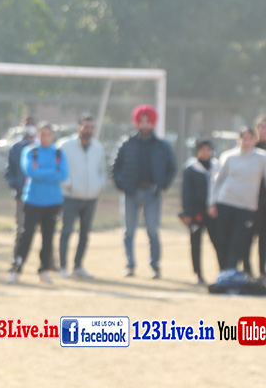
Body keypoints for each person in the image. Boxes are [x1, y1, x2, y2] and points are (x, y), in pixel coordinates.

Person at [111, 105, 177, 279]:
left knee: (153, 231)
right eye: (142, 121)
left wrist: (162, 186)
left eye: (148, 121)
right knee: (129, 231)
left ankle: (155, 266)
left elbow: (172, 168)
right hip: (130, 194)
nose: (145, 125)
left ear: (153, 122)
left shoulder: (162, 146)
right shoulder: (126, 144)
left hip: (152, 194)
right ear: (137, 122)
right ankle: (130, 265)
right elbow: (115, 167)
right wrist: (122, 186)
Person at [8, 123, 68, 284]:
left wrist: (41, 172)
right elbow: (30, 172)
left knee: (48, 237)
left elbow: (63, 174)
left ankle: (43, 270)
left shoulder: (58, 153)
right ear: (38, 135)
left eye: (48, 134)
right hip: (33, 200)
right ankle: (16, 269)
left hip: (53, 201)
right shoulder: (30, 152)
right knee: (26, 235)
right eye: (42, 134)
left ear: (52, 136)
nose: (45, 138)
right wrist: (51, 171)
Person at [208, 127, 266, 278]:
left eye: (250, 139)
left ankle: (230, 272)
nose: (247, 142)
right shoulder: (229, 156)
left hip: (247, 207)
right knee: (223, 239)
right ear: (238, 140)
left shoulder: (262, 158)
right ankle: (224, 272)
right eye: (244, 139)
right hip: (226, 202)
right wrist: (212, 203)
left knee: (238, 241)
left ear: (255, 140)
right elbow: (218, 181)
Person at [57, 114, 106, 278]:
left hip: (91, 197)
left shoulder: (98, 147)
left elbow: (102, 170)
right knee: (66, 231)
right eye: (85, 126)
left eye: (91, 127)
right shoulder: (65, 145)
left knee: (84, 234)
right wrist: (68, 185)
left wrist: (99, 186)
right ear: (78, 127)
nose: (88, 130)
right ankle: (63, 267)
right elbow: (59, 168)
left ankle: (78, 266)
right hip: (70, 197)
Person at [180, 138, 222, 285]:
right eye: (202, 150)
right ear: (197, 151)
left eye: (209, 150)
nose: (206, 153)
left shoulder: (217, 167)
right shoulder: (191, 169)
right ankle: (198, 273)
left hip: (213, 211)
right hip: (196, 212)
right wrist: (187, 213)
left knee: (219, 242)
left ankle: (223, 270)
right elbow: (186, 193)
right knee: (196, 243)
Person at [4, 115, 37, 274]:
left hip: (41, 195)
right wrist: (16, 184)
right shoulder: (16, 147)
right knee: (21, 229)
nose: (30, 127)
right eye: (27, 124)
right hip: (22, 194)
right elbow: (9, 169)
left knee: (47, 230)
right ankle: (16, 260)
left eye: (33, 124)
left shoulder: (41, 145)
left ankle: (49, 262)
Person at [242, 115, 266, 278]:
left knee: (264, 238)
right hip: (250, 200)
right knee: (247, 236)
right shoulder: (251, 149)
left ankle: (262, 271)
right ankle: (247, 269)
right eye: (261, 127)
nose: (263, 130)